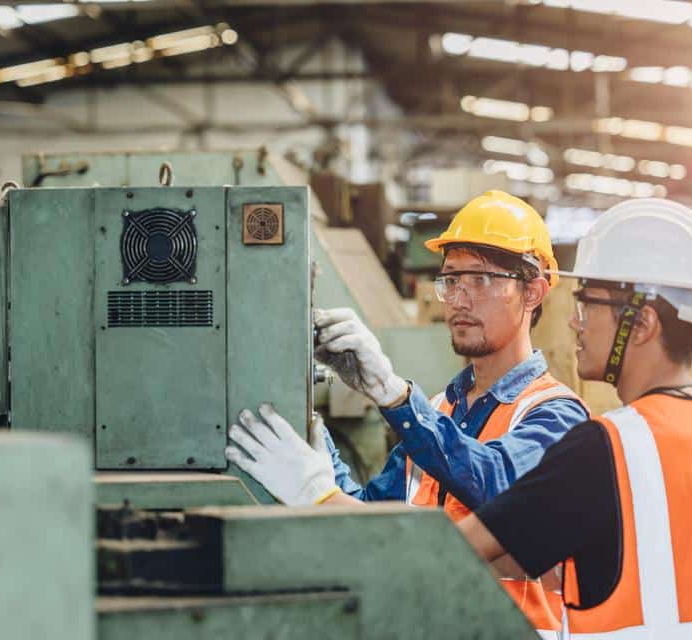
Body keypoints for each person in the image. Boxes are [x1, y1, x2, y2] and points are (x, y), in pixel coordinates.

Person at [227, 190, 589, 637]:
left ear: (532, 290)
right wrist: (322, 463)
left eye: (480, 280)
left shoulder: (556, 417)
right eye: (451, 280)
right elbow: (376, 519)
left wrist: (394, 396)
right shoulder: (440, 412)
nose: (458, 299)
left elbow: (502, 492)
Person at [456, 198, 692, 638]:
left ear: (642, 323)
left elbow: (458, 549)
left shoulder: (606, 448)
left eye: (588, 304)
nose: (576, 324)